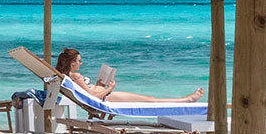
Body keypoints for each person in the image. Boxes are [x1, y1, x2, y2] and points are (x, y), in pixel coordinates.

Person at [53, 47, 201, 105]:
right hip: (106, 97)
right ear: (72, 63)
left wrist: (100, 84)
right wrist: (110, 88)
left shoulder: (69, 76)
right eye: (79, 61)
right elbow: (94, 97)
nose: (81, 63)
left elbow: (89, 92)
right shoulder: (76, 76)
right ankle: (186, 100)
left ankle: (185, 99)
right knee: (150, 100)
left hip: (104, 94)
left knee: (150, 99)